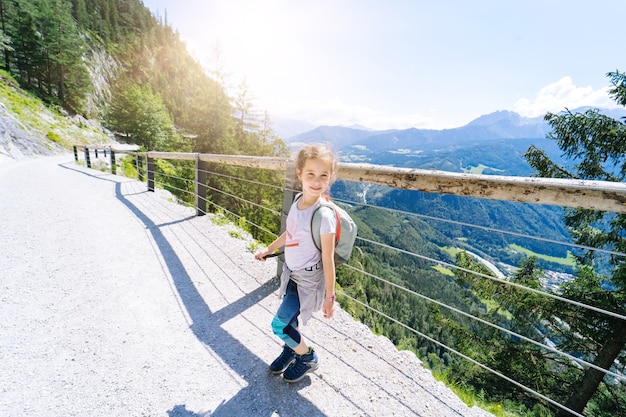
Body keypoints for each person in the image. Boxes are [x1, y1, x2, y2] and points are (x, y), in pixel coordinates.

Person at [255, 144, 338, 383]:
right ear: (299, 174)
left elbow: (328, 259)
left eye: (323, 175)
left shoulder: (324, 216)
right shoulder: (299, 200)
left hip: (307, 282)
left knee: (279, 325)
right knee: (289, 321)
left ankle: (308, 357)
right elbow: (290, 233)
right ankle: (293, 348)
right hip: (291, 275)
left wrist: (329, 297)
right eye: (310, 174)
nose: (317, 180)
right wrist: (270, 249)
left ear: (330, 177)